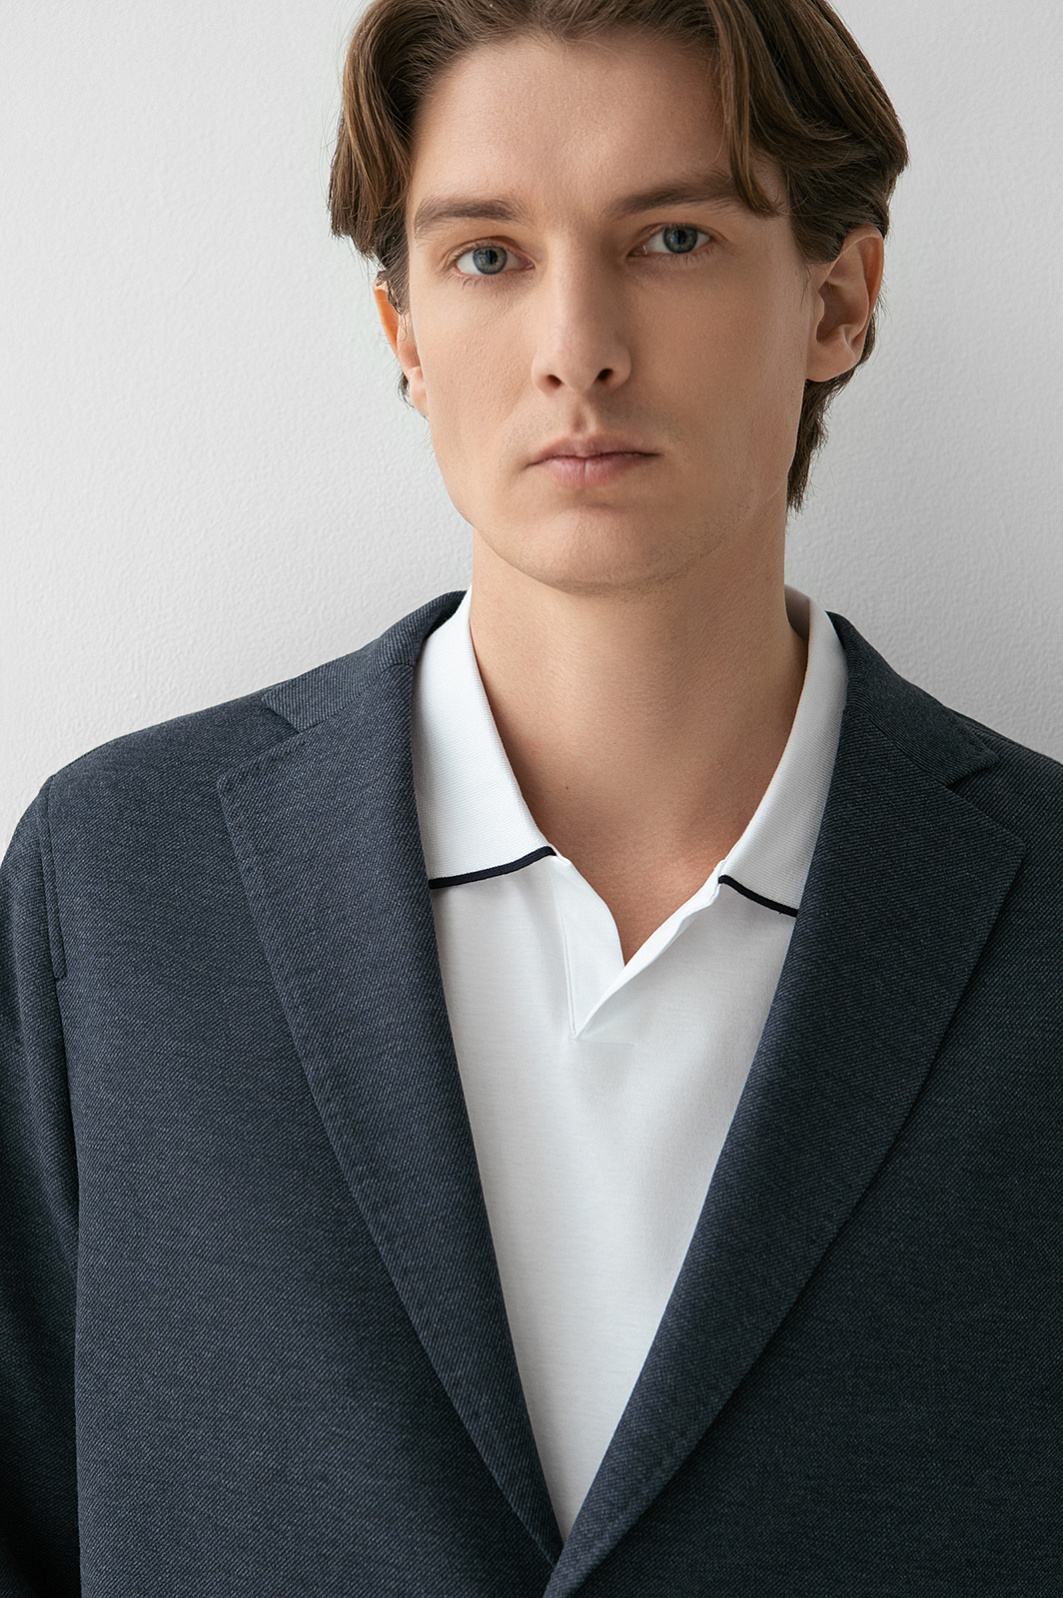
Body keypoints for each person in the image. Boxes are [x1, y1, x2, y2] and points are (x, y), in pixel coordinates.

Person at [2, 0, 1060, 1591]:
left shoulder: (1043, 914)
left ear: (838, 298)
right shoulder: (119, 890)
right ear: (404, 331)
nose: (578, 344)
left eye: (674, 238)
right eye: (488, 255)